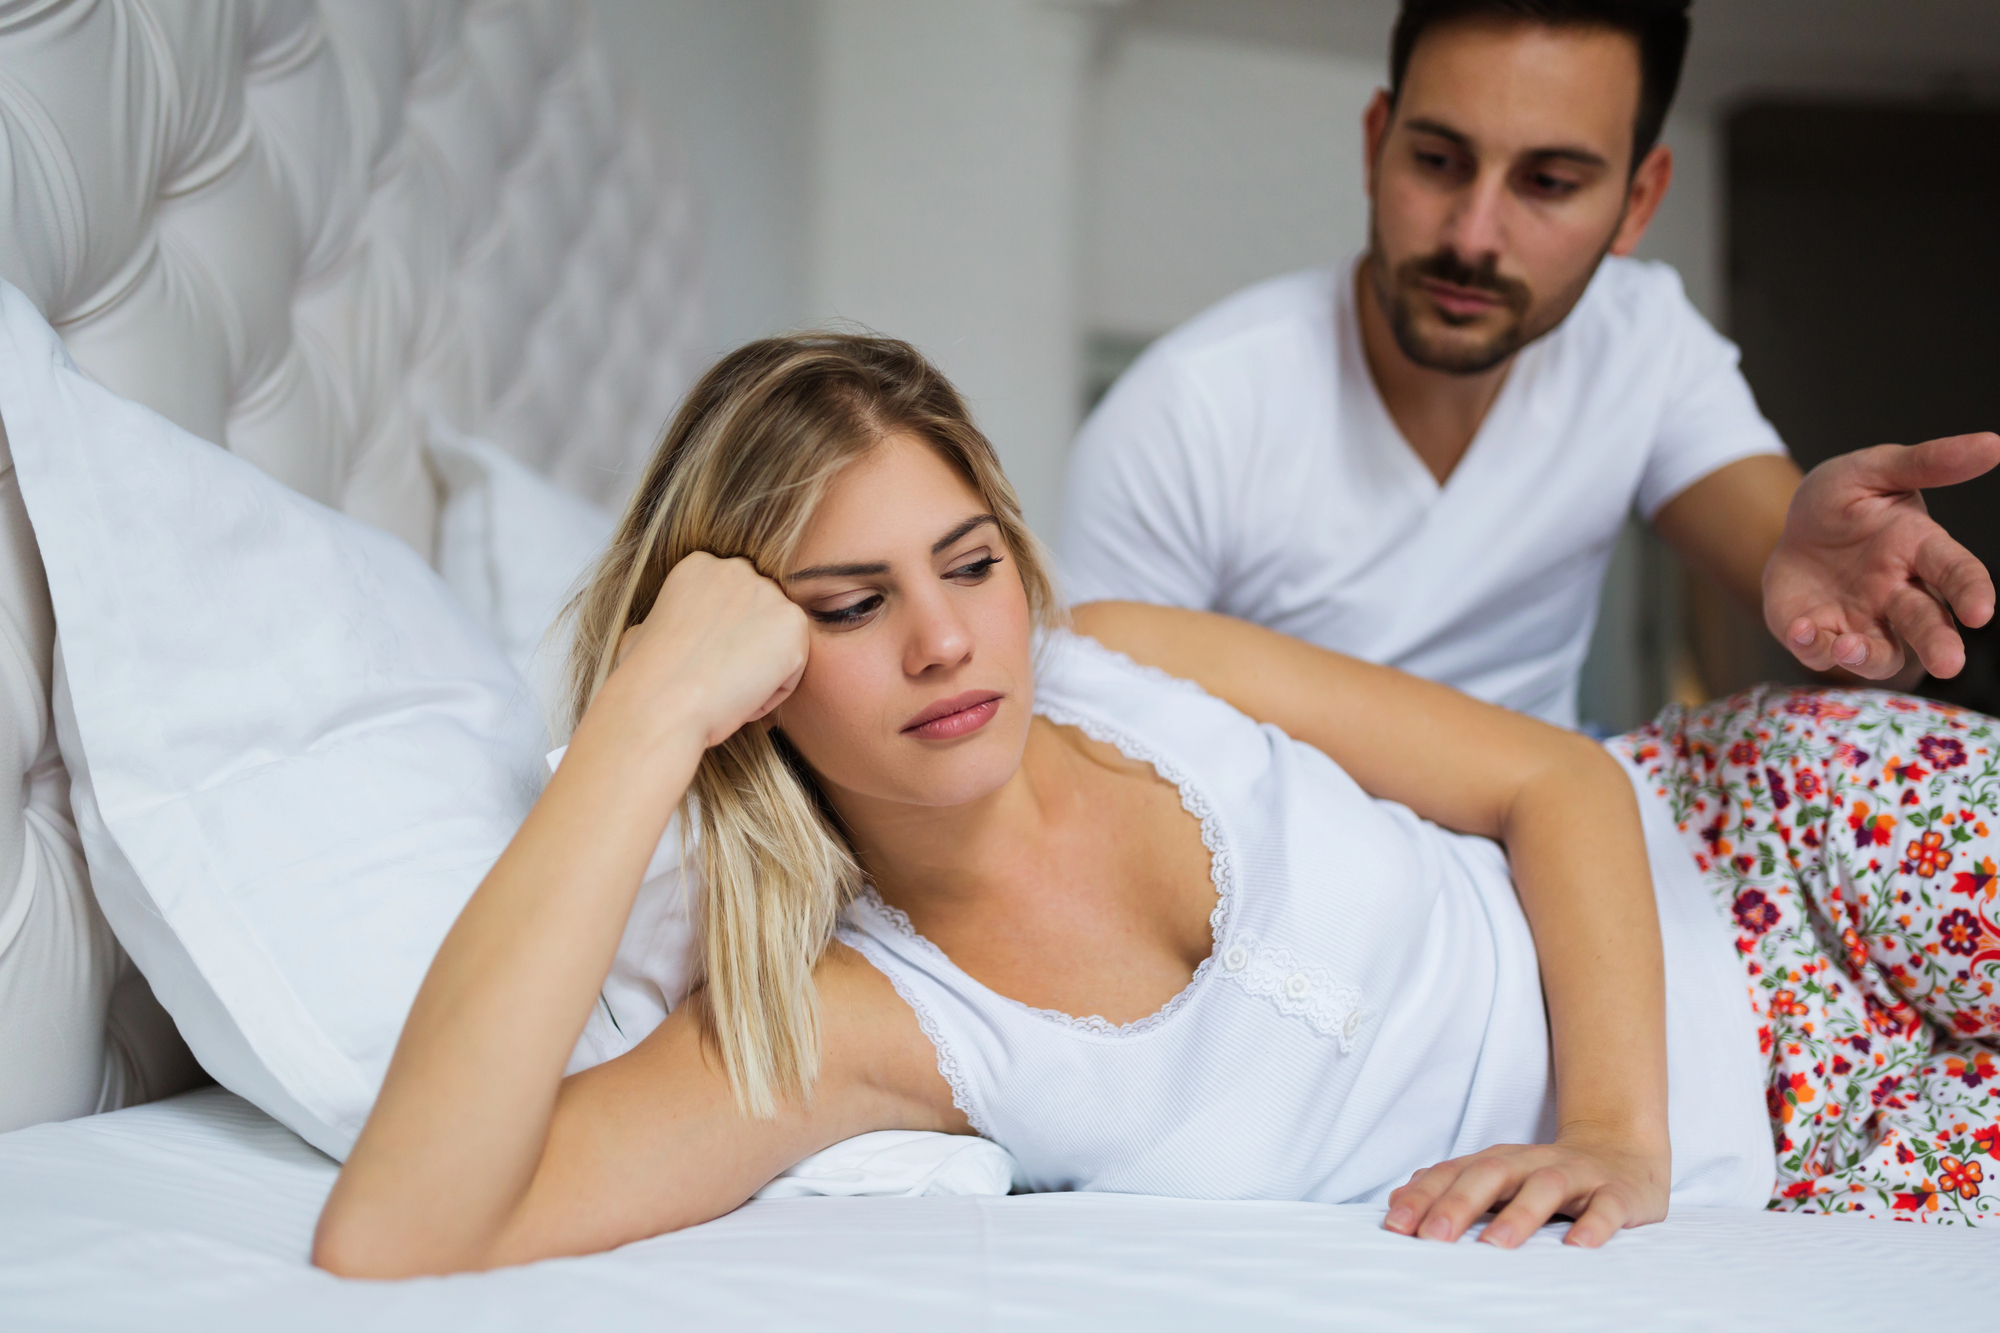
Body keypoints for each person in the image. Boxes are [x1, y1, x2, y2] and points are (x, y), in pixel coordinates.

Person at [311, 335, 1996, 1278]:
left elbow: (1554, 776)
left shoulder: (1117, 659)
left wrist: (1619, 1136)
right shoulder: (859, 1024)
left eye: (967, 559)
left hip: (1770, 847)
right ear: (750, 659)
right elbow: (408, 1221)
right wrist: (645, 716)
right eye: (844, 602)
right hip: (1803, 1147)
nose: (950, 635)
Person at [1059, 0, 2000, 728]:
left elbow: (1806, 590)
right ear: (1375, 143)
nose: (1473, 237)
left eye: (1548, 184)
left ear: (1637, 203)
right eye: (1436, 160)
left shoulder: (1643, 339)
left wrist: (1860, 611)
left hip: (1550, 852)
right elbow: (1103, 757)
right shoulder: (1187, 413)